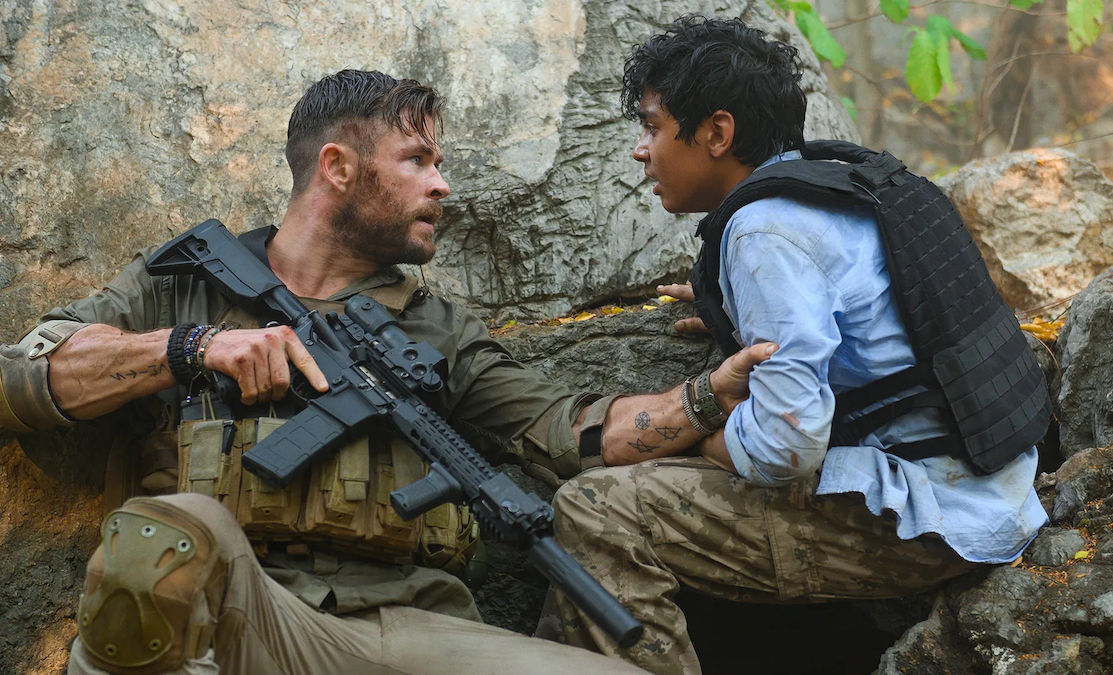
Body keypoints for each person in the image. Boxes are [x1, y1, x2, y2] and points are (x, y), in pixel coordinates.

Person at [0, 69, 773, 674]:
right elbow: (19, 380)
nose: (442, 184)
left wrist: (708, 395)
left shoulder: (434, 328)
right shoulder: (187, 285)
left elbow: (571, 430)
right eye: (417, 160)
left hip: (411, 629)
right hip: (237, 613)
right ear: (337, 167)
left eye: (441, 164)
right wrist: (190, 348)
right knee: (163, 539)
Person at [541, 16, 1051, 675]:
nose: (641, 150)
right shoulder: (839, 182)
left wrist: (700, 438)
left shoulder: (764, 230)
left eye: (652, 127)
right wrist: (738, 312)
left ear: (717, 133)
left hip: (928, 522)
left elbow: (787, 446)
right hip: (992, 485)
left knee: (594, 510)